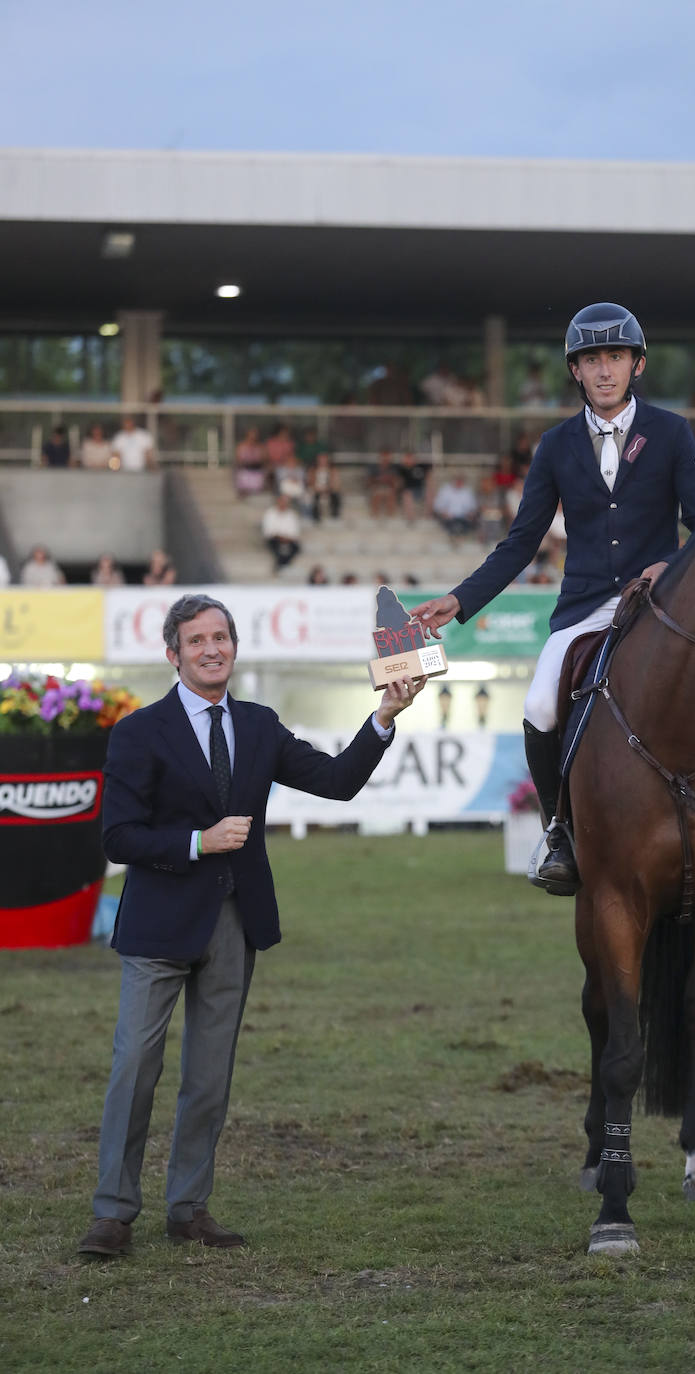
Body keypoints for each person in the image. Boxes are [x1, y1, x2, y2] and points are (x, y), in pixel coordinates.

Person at [411, 301, 695, 896]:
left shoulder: (672, 431)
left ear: (638, 364)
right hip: (585, 608)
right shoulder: (553, 446)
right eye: (592, 359)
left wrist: (669, 566)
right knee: (538, 707)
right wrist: (459, 600)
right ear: (574, 371)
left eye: (616, 357)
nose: (605, 370)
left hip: (667, 601)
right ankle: (560, 832)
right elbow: (521, 541)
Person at [77, 593, 424, 1258]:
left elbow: (337, 782)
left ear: (234, 647)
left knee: (210, 1077)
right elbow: (119, 837)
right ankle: (113, 1214)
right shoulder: (138, 732)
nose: (212, 649)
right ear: (172, 654)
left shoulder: (261, 725)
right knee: (134, 1069)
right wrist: (197, 843)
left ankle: (189, 1209)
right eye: (197, 639)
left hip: (234, 924)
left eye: (221, 638)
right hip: (156, 928)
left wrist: (384, 716)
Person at [261, 492, 302, 571]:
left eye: (285, 502)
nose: (283, 504)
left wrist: (287, 538)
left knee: (296, 548)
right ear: (278, 501)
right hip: (275, 539)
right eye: (282, 501)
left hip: (289, 539)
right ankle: (282, 564)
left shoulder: (291, 515)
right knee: (274, 547)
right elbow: (269, 531)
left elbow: (295, 532)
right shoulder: (270, 513)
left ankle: (282, 564)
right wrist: (280, 537)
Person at [432, 472, 478, 538]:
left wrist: (470, 513)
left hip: (464, 518)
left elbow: (473, 507)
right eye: (457, 480)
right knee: (450, 525)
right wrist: (443, 513)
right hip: (449, 518)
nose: (459, 483)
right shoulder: (445, 490)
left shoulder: (468, 491)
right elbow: (437, 506)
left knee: (466, 525)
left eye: (461, 481)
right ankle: (454, 537)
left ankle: (460, 537)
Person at [307, 452, 342, 521]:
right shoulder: (312, 470)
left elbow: (337, 482)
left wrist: (328, 488)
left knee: (336, 496)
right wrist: (317, 488)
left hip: (329, 489)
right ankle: (316, 517)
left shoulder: (333, 470)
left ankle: (334, 515)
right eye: (321, 459)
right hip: (316, 489)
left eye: (324, 459)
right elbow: (310, 482)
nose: (323, 461)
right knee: (314, 497)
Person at [234, 427, 266, 496]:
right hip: (245, 471)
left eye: (255, 435)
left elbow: (264, 460)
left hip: (257, 471)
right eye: (251, 435)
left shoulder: (260, 447)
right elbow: (238, 460)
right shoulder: (241, 446)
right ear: (247, 435)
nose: (253, 437)